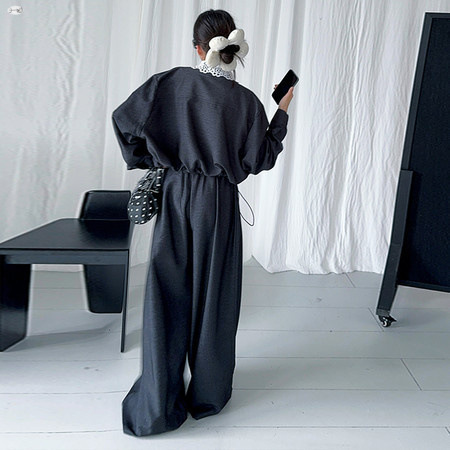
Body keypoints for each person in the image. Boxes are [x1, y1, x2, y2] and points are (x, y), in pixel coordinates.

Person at [111, 9, 294, 437]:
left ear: (198, 48)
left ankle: (157, 405)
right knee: (215, 300)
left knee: (166, 296)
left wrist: (152, 159)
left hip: (176, 195)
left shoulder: (168, 83)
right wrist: (281, 110)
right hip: (219, 204)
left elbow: (124, 121)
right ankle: (208, 396)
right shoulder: (247, 102)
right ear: (234, 49)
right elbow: (260, 159)